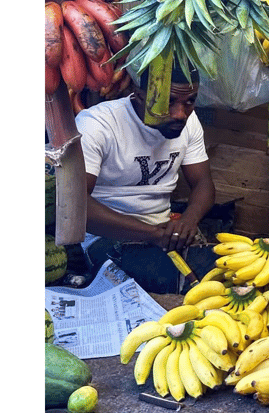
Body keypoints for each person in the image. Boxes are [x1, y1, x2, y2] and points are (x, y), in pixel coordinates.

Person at [75, 64, 216, 275]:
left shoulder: (189, 121)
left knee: (224, 271)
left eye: (190, 101)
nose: (180, 114)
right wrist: (153, 234)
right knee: (167, 277)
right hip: (104, 236)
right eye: (167, 102)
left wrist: (188, 220)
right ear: (140, 96)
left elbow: (203, 182)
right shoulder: (98, 124)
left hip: (163, 232)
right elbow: (76, 205)